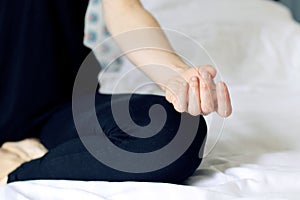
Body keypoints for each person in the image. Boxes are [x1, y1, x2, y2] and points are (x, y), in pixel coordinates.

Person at [0, 0, 232, 184]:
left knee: (178, 132)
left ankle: (14, 168)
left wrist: (175, 73)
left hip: (59, 108)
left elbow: (125, 9)